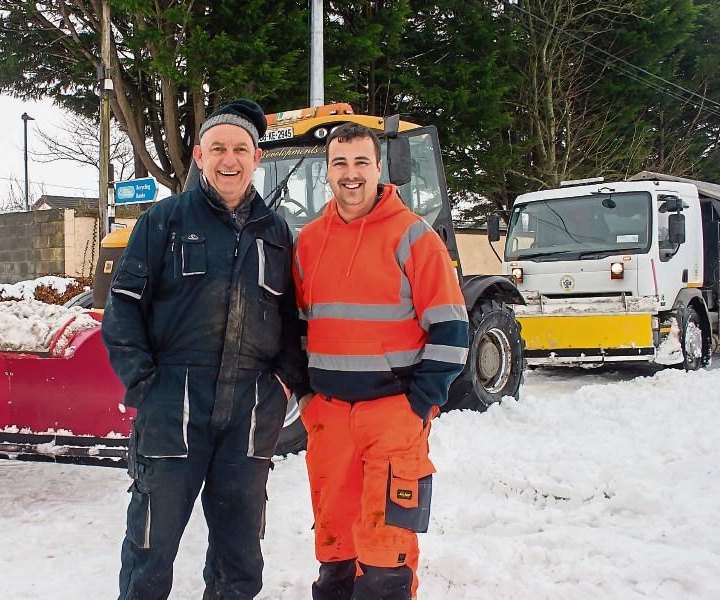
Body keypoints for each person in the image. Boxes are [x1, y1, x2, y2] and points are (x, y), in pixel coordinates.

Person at [102, 98, 312, 600]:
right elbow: (123, 308)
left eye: (240, 148)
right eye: (218, 147)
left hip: (249, 408)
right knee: (151, 548)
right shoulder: (164, 221)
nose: (229, 159)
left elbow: (291, 320)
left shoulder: (277, 232)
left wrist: (281, 383)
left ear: (257, 157)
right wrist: (145, 382)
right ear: (199, 155)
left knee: (240, 554)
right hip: (174, 403)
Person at [293, 123, 469, 599]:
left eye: (360, 162)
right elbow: (295, 330)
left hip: (393, 414)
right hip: (328, 417)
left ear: (379, 168)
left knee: (386, 546)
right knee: (334, 542)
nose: (350, 174)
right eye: (340, 163)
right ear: (327, 170)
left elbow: (452, 331)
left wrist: (420, 405)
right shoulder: (308, 242)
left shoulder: (415, 237)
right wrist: (305, 397)